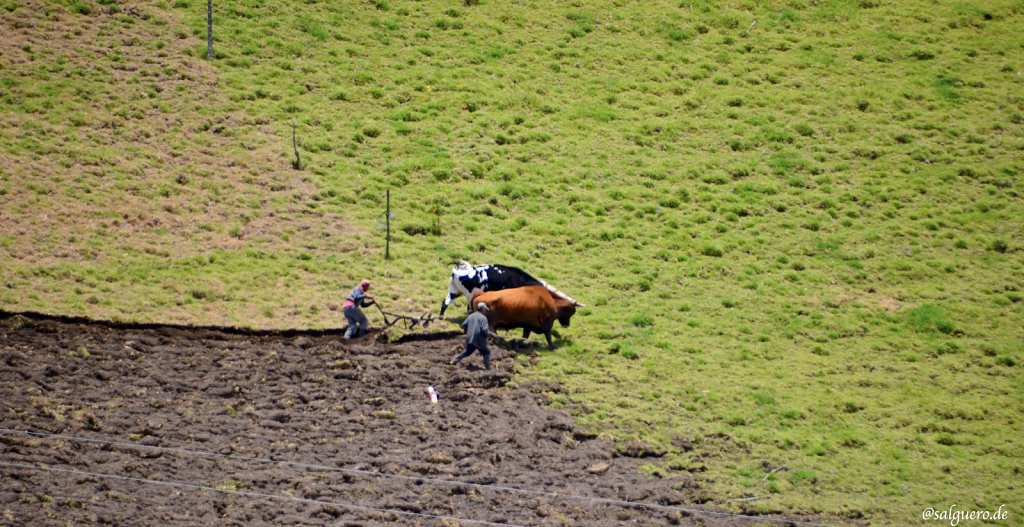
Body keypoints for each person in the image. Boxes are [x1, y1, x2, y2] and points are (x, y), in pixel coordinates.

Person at [451, 302, 496, 370]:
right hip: (479, 339)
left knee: (467, 351)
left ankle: (454, 360)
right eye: (485, 309)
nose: (485, 311)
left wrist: (468, 330)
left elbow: (463, 325)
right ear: (483, 309)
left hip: (470, 337)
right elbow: (485, 330)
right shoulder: (483, 318)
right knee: (486, 352)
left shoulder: (471, 316)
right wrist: (493, 335)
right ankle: (488, 369)